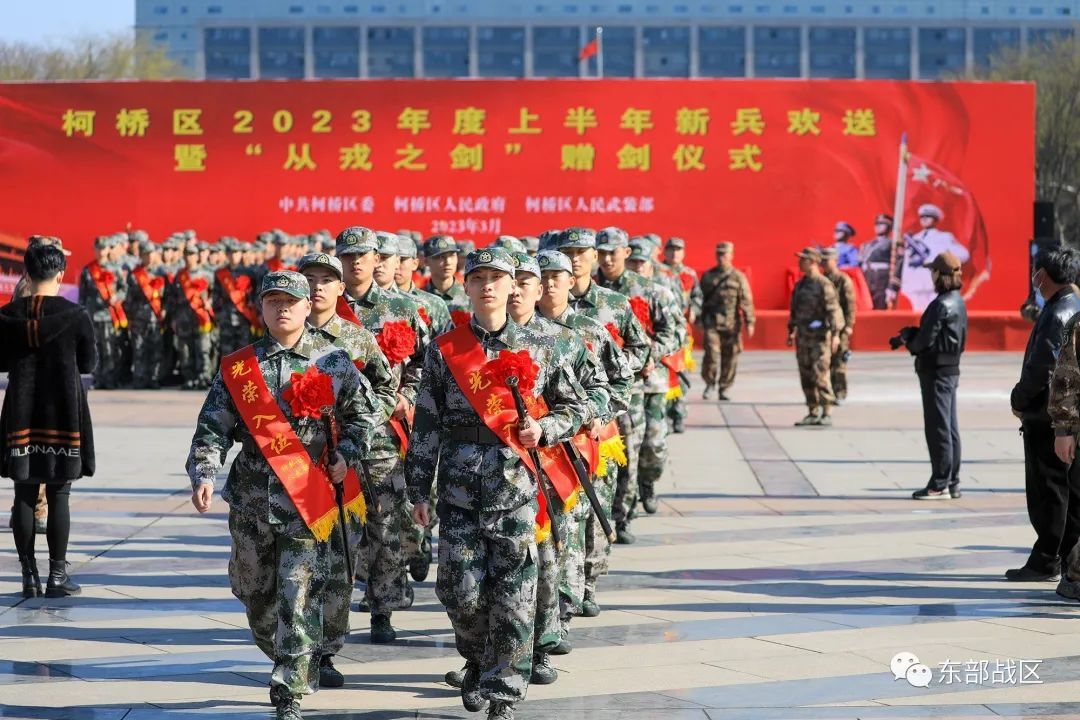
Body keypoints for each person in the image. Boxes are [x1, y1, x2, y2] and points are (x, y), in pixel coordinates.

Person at [186, 270, 382, 720]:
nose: (282, 308)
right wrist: (204, 473)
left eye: (290, 301)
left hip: (308, 496)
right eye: (273, 300)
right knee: (254, 592)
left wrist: (348, 454)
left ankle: (289, 684)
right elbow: (212, 428)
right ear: (261, 308)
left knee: (299, 590)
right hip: (253, 497)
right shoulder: (240, 368)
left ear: (307, 306)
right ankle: (286, 655)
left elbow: (364, 418)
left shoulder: (333, 362)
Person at [406, 248, 588, 720]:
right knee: (459, 592)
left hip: (517, 487)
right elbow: (426, 423)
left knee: (515, 595)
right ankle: (476, 658)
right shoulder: (445, 349)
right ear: (466, 286)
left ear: (513, 286)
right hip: (459, 489)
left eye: (497, 278)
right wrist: (418, 490)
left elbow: (575, 405)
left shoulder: (541, 345)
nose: (487, 286)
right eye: (479, 278)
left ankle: (504, 692)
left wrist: (545, 429)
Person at [297, 251, 396, 688]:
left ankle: (325, 650)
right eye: (310, 279)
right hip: (293, 464)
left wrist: (361, 427)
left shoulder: (356, 339)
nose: (317, 287)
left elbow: (386, 388)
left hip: (345, 463)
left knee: (340, 555)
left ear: (340, 288)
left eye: (326, 280)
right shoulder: (284, 336)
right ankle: (294, 642)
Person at [338, 227, 430, 644]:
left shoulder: (401, 307)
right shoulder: (325, 308)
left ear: (377, 258)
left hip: (384, 435)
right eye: (348, 255)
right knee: (339, 527)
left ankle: (383, 607)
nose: (356, 261)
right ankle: (331, 616)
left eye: (363, 254)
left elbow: (425, 362)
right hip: (336, 434)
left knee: (386, 522)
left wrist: (406, 395)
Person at [537, 249, 633, 620]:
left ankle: (581, 587)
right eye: (542, 278)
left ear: (570, 282)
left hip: (584, 439)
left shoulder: (588, 329)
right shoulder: (519, 331)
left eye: (556, 277)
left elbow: (620, 379)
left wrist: (598, 413)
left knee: (585, 516)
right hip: (538, 443)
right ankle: (553, 602)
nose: (549, 284)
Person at [1, 242, 96, 598]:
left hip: (21, 412)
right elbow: (88, 363)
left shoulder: (7, 316)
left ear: (26, 274)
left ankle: (28, 576)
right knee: (59, 493)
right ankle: (57, 577)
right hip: (63, 413)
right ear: (60, 274)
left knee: (24, 491)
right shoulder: (76, 315)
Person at [556, 228, 650, 545]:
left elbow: (640, 347)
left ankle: (618, 518)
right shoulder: (545, 305)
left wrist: (608, 371)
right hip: (560, 412)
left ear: (593, 256)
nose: (574, 259)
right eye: (567, 253)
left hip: (606, 404)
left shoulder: (615, 304)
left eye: (580, 253)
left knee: (620, 465)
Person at [595, 228, 680, 526]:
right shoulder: (586, 290)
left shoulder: (650, 290)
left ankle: (648, 481)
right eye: (602, 253)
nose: (607, 259)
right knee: (621, 448)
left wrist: (650, 355)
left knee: (652, 446)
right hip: (604, 386)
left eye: (613, 252)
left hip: (647, 381)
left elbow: (675, 331)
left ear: (626, 252)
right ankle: (622, 511)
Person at [1006, 248, 1080, 581]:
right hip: (1060, 414)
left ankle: (1047, 558)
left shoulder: (1059, 312)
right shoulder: (1070, 305)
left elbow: (1043, 367)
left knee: (1048, 491)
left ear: (1042, 276)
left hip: (1048, 414)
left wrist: (1019, 398)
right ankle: (1062, 557)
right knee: (1062, 490)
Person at [890, 252, 968, 500]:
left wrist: (910, 340)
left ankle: (939, 483)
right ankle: (952, 481)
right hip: (949, 369)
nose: (930, 275)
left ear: (938, 275)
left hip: (936, 372)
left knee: (938, 428)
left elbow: (925, 341)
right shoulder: (957, 301)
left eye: (932, 271)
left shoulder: (941, 303)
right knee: (949, 427)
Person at [788, 247, 843, 427]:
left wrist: (836, 335)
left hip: (820, 338)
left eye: (803, 259)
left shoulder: (824, 284)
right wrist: (791, 330)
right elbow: (794, 310)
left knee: (820, 374)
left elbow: (833, 310)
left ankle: (826, 411)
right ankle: (812, 411)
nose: (799, 263)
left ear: (812, 262)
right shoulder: (801, 285)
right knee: (806, 375)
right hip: (803, 338)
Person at [698, 242, 755, 401]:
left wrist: (750, 321)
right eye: (719, 254)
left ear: (731, 255)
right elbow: (700, 299)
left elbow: (746, 300)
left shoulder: (738, 276)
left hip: (731, 324)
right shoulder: (708, 276)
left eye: (724, 254)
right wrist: (698, 319)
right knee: (711, 354)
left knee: (730, 357)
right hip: (712, 322)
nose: (721, 257)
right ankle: (709, 383)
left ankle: (724, 387)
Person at [897, 204, 971, 311]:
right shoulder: (914, 239)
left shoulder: (944, 237)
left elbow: (964, 255)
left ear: (935, 220)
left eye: (928, 216)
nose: (924, 219)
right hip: (915, 284)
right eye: (922, 217)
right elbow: (908, 263)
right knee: (918, 315)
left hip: (933, 283)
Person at [78, 235, 126, 390]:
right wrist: (82, 314)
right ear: (95, 249)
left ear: (108, 250)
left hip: (109, 315)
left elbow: (124, 289)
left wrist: (116, 298)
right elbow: (83, 295)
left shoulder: (115, 269)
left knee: (110, 347)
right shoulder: (88, 270)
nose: (101, 251)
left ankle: (110, 378)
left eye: (103, 248)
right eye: (98, 248)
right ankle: (98, 379)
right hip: (93, 315)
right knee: (95, 348)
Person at [125, 240, 168, 389]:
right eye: (145, 254)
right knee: (139, 348)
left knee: (156, 349)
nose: (149, 257)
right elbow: (128, 298)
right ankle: (140, 378)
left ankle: (154, 378)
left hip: (155, 318)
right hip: (139, 318)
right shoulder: (134, 275)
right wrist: (129, 317)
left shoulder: (161, 273)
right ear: (141, 255)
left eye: (151, 254)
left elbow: (168, 296)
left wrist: (165, 309)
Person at [394, 234, 453, 336]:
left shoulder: (434, 304)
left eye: (401, 260)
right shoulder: (369, 302)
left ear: (415, 263)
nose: (395, 265)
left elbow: (447, 343)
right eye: (387, 259)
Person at [820, 248, 857, 403]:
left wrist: (849, 325)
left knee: (839, 362)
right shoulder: (821, 280)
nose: (823, 263)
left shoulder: (842, 280)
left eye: (826, 260)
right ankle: (826, 392)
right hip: (824, 327)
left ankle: (840, 392)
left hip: (840, 327)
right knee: (824, 362)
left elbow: (850, 305)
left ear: (835, 261)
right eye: (822, 260)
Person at [423, 235, 470, 317]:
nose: (448, 262)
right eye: (440, 257)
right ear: (426, 261)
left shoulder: (470, 297)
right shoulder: (418, 298)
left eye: (452, 255)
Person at [859, 214, 897, 309]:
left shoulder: (892, 243)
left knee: (880, 305)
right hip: (867, 276)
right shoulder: (867, 244)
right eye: (877, 224)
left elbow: (896, 265)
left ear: (889, 227)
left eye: (882, 224)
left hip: (881, 279)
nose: (878, 226)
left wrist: (892, 286)